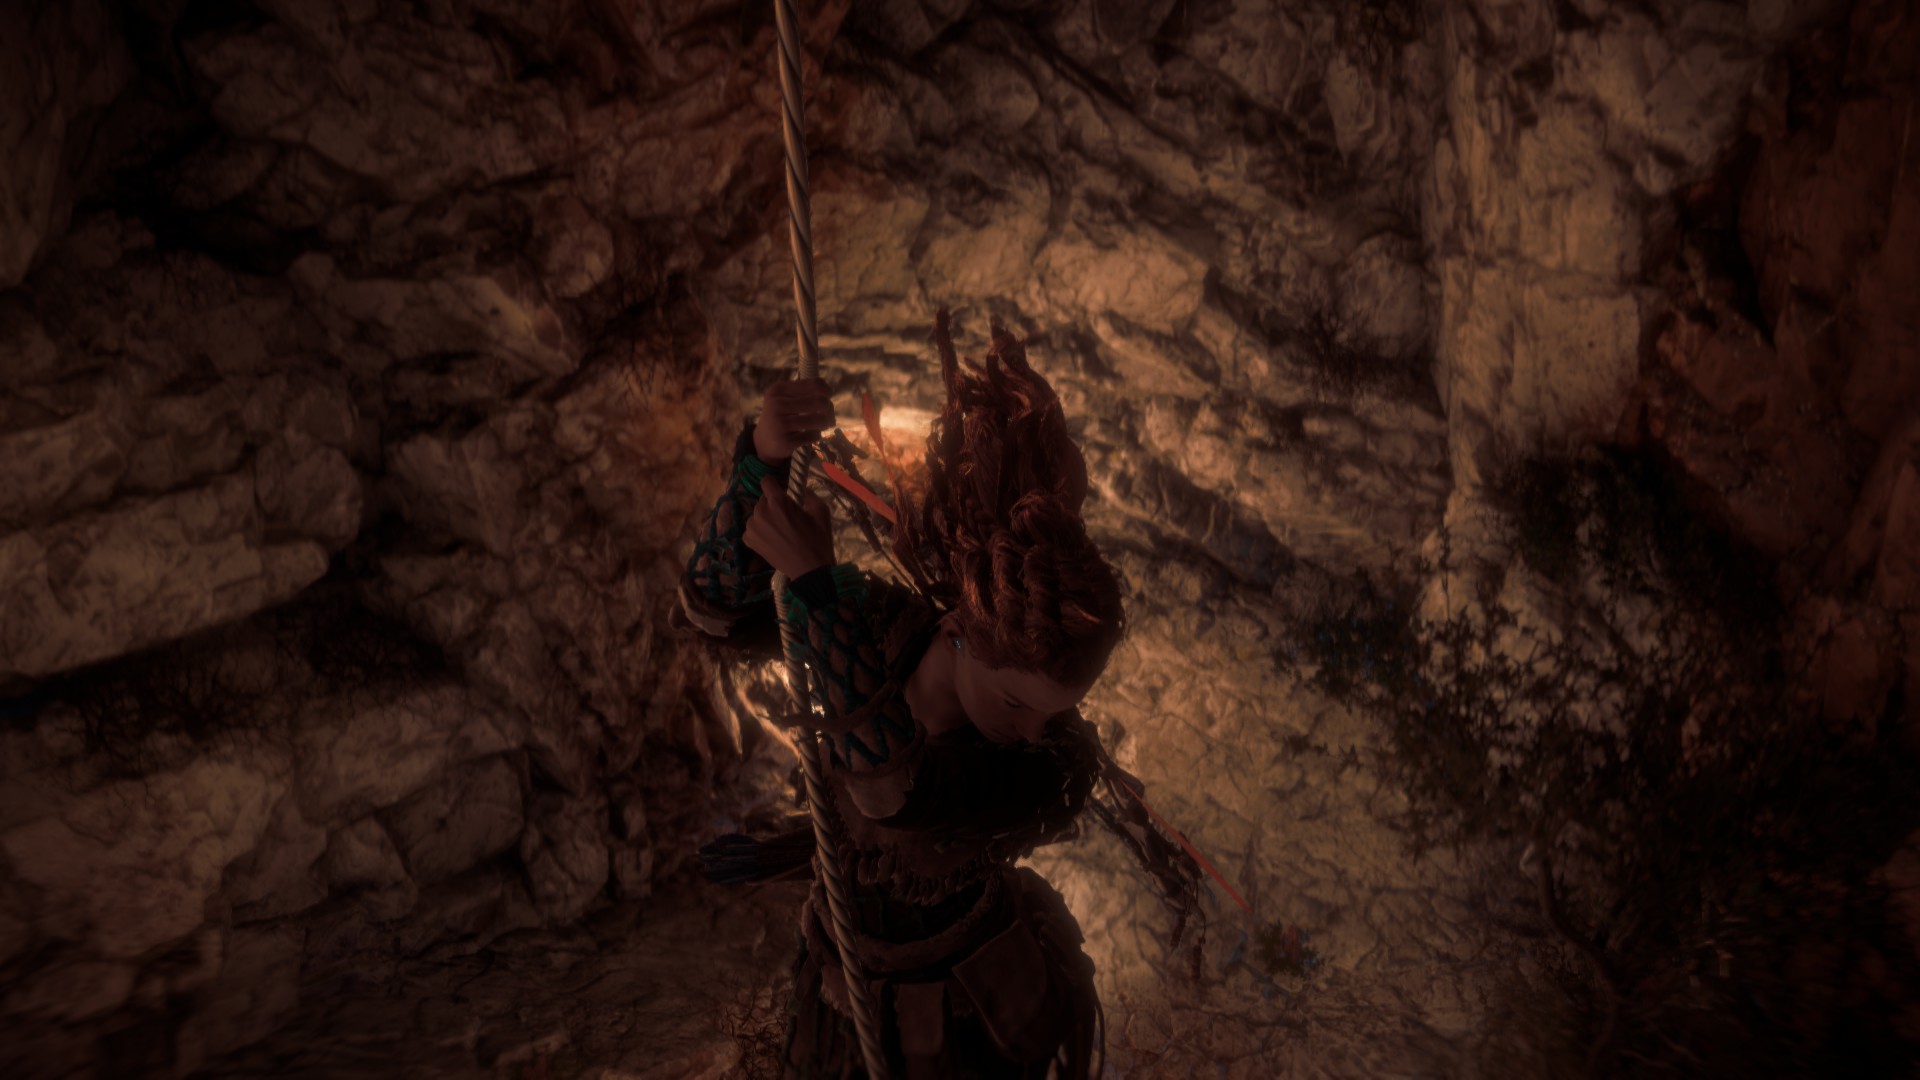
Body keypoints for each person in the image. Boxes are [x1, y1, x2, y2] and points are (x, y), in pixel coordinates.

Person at [675, 311, 1208, 1079]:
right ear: (960, 628)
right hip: (842, 987)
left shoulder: (1052, 770)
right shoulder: (882, 625)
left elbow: (899, 792)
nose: (1038, 730)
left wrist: (818, 591)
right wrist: (761, 461)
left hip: (975, 1018)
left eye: (1056, 709)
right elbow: (716, 614)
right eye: (1017, 702)